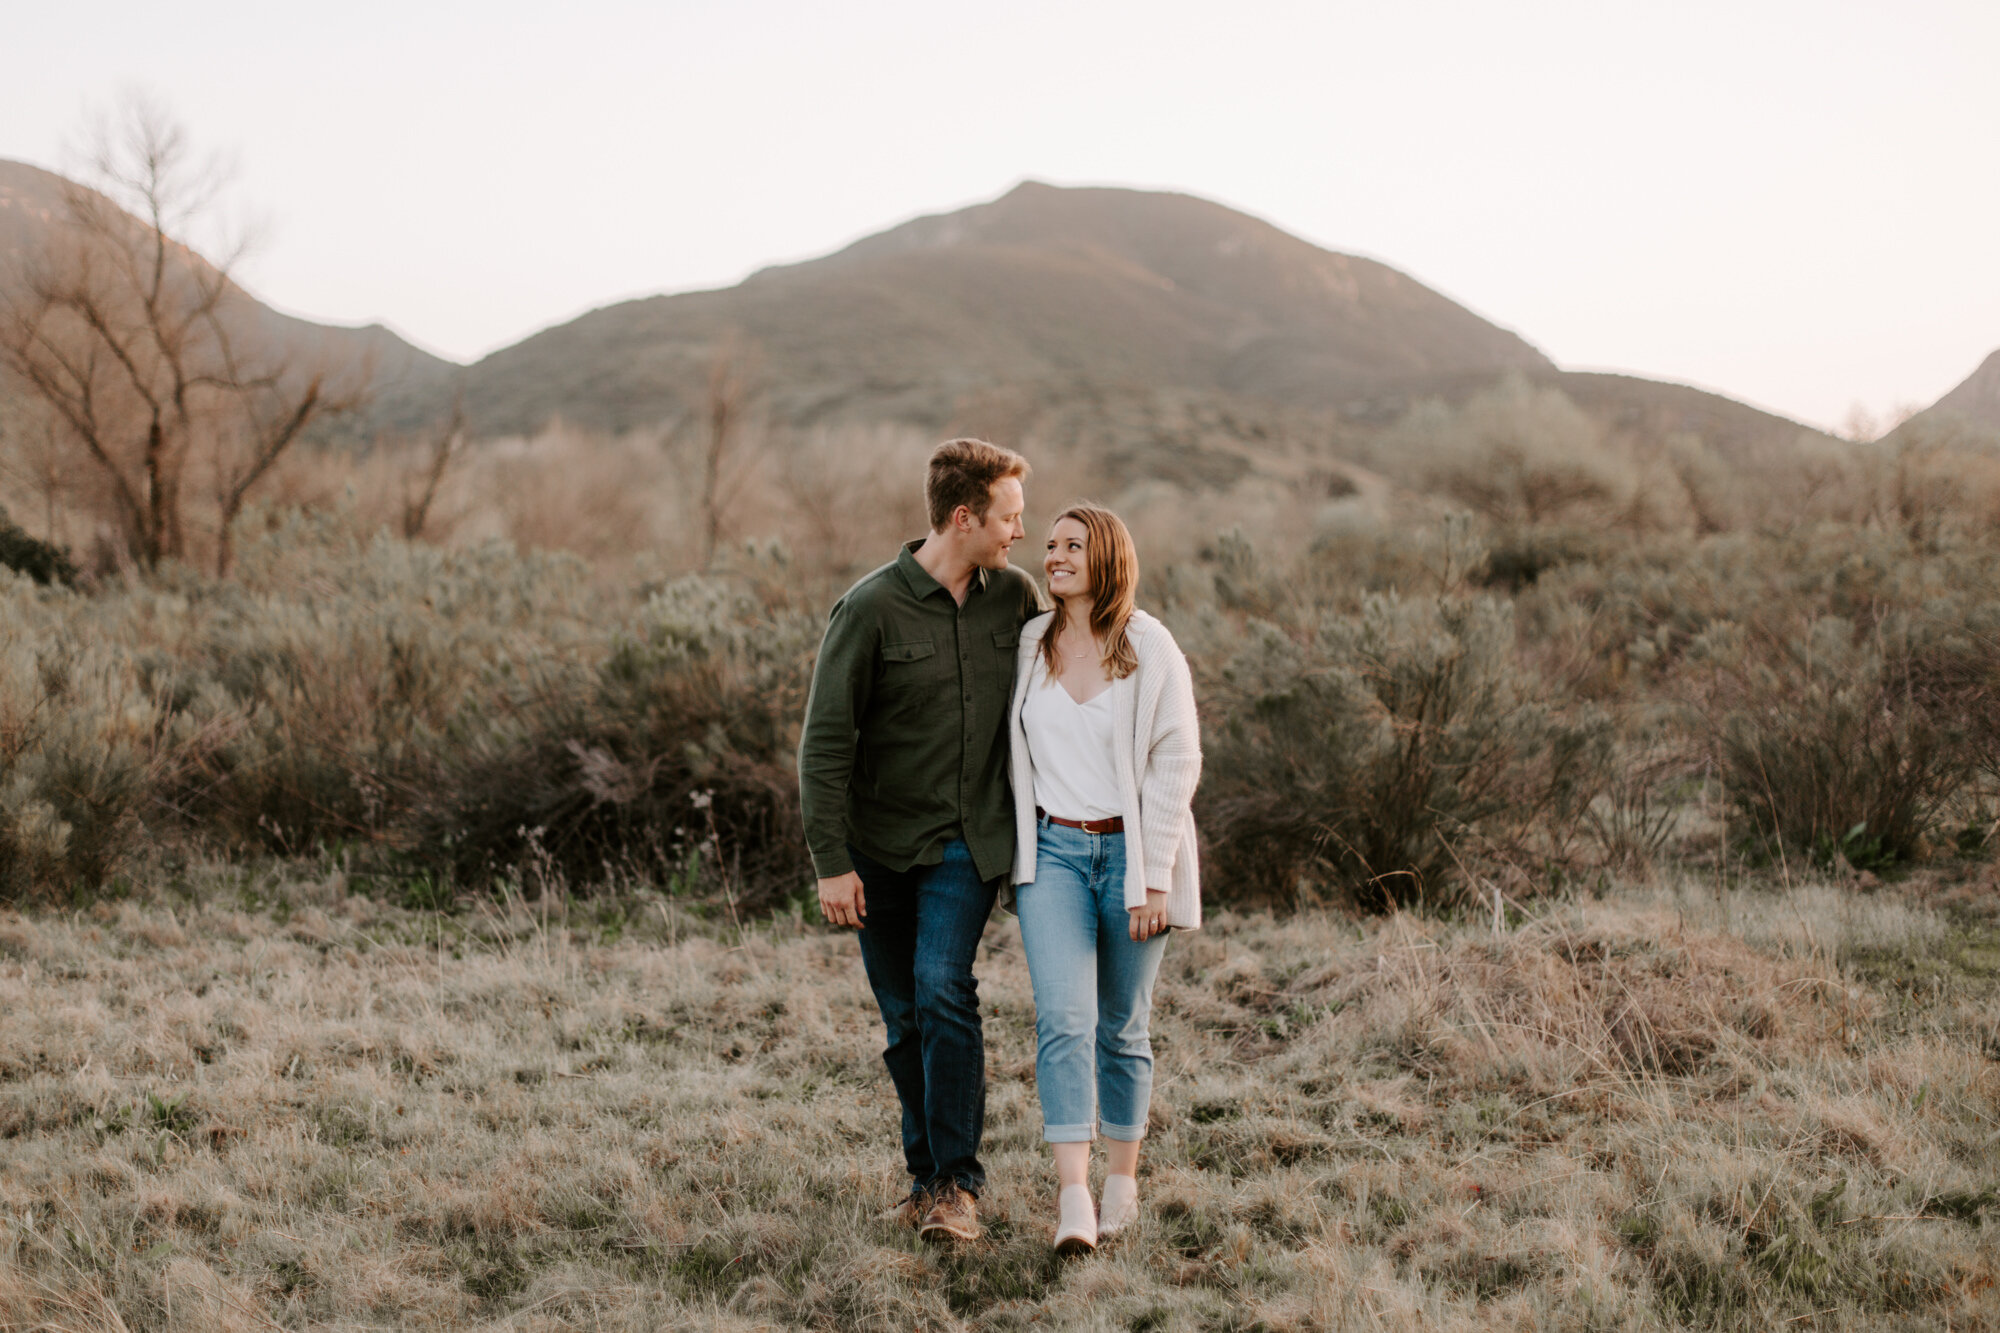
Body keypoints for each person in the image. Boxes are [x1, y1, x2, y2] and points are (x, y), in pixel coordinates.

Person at [797, 438, 1042, 1243]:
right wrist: (831, 863)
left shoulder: (1016, 599)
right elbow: (825, 743)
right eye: (1008, 515)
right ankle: (925, 1180)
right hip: (877, 850)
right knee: (904, 1016)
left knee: (943, 987)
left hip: (967, 843)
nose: (1020, 530)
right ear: (963, 516)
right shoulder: (868, 608)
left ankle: (959, 1185)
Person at [1006, 502, 1202, 1254]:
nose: (1053, 556)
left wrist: (1152, 875)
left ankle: (1123, 1177)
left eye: (1071, 545)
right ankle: (1074, 1196)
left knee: (1122, 1022)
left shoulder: (1148, 643)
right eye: (1049, 544)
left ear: (1107, 557)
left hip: (1132, 857)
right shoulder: (1031, 642)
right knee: (1063, 1019)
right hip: (1051, 854)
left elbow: (1177, 759)